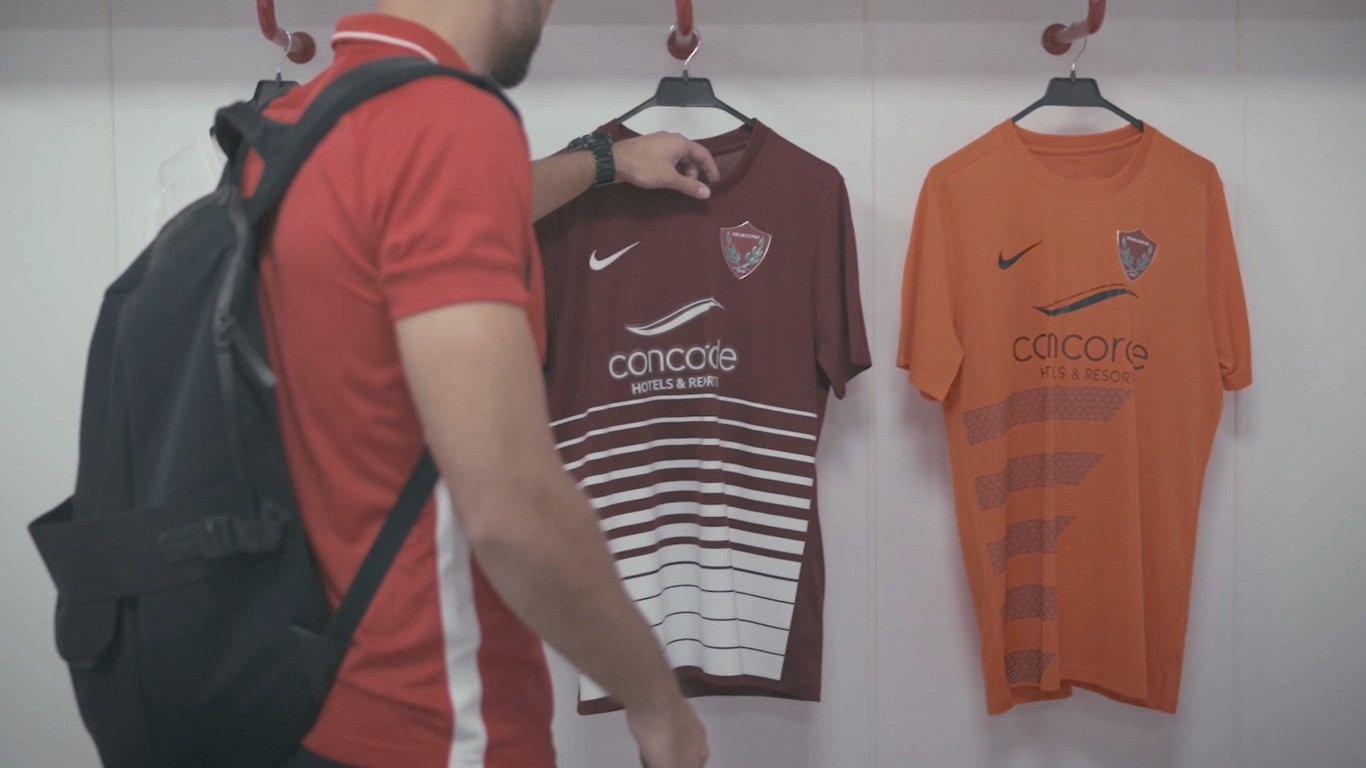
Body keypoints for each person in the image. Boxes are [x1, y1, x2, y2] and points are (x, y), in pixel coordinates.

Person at [241, 1, 717, 766]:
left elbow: (433, 213)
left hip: (306, 700)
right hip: (437, 718)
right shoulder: (445, 121)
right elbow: (513, 508)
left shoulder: (299, 125)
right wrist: (659, 706)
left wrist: (607, 161)